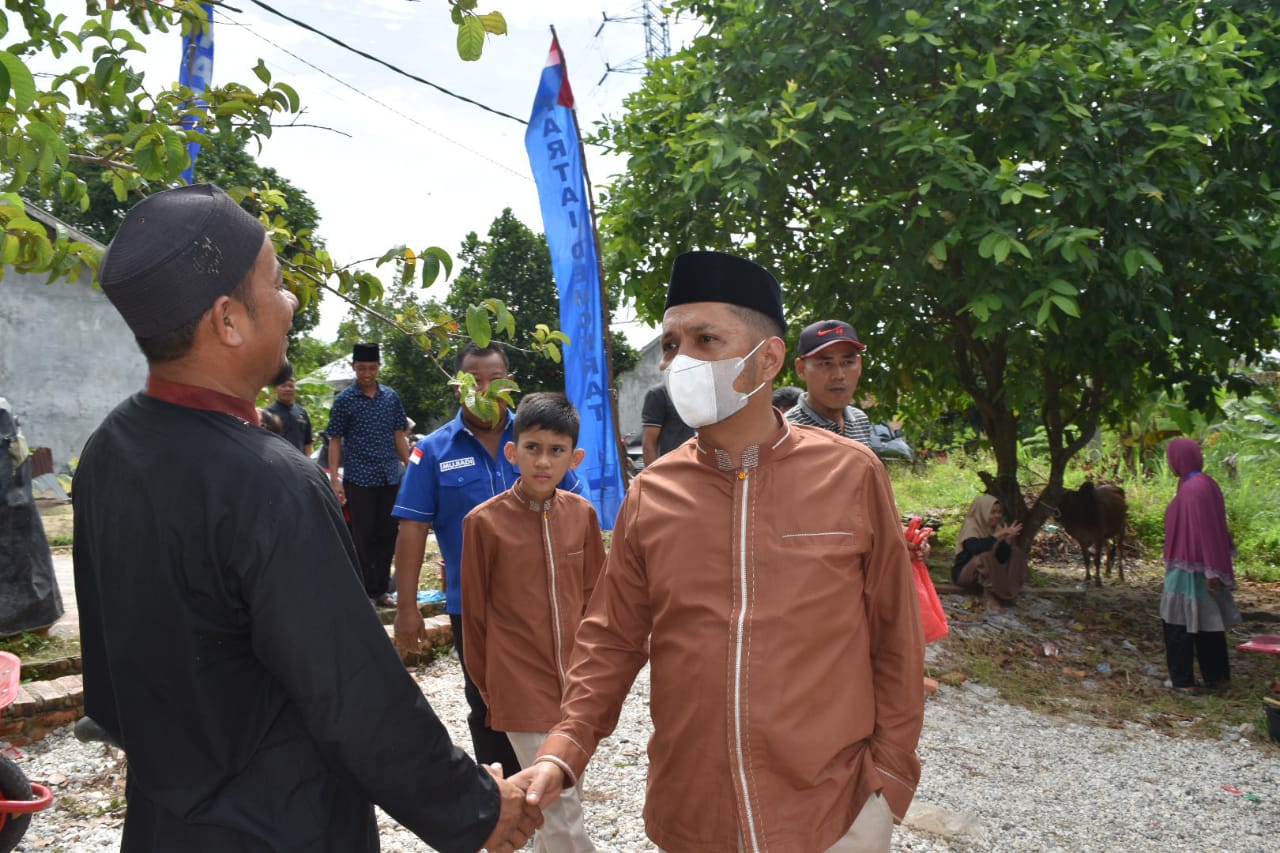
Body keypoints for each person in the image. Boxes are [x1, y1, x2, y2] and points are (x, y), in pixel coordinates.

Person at [72, 183, 539, 852]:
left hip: (163, 823)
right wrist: (478, 808)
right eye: (276, 284)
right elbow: (354, 693)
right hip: (281, 826)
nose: (291, 303)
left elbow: (108, 684)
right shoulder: (271, 482)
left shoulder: (109, 449)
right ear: (228, 320)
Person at [515, 250, 925, 853]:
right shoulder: (653, 492)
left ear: (768, 358)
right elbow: (611, 640)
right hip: (695, 808)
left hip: (833, 809)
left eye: (705, 339)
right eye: (671, 344)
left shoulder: (852, 473)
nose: (679, 361)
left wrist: (888, 777)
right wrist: (562, 750)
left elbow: (896, 635)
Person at [391, 342, 582, 779]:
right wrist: (407, 608)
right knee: (486, 701)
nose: (484, 389)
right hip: (474, 607)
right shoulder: (433, 451)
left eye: (494, 379)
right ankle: (503, 799)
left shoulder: (538, 439)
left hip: (543, 599)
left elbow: (575, 510)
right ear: (456, 387)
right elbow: (412, 528)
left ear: (509, 383)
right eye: (472, 381)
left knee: (556, 691)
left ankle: (551, 785)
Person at [461, 392, 604, 853]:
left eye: (556, 450)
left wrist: (595, 678)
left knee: (555, 801)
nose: (543, 461)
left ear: (574, 458)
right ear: (512, 451)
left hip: (576, 688)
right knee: (561, 809)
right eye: (533, 448)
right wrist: (489, 687)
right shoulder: (483, 523)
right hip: (518, 685)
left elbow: (597, 602)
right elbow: (474, 617)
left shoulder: (582, 515)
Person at [326, 341, 410, 607]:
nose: (367, 373)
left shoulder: (391, 397)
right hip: (359, 479)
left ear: (379, 367)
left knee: (388, 535)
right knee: (363, 537)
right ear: (353, 367)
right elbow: (335, 440)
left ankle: (380, 590)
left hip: (389, 477)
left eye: (372, 368)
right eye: (361, 368)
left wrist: (411, 467)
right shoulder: (345, 400)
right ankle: (364, 592)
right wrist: (335, 481)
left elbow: (399, 435)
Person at [1160, 437, 1241, 694]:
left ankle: (1183, 681)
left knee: (1177, 623)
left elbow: (1204, 530)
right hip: (1201, 566)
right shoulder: (1204, 483)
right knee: (1208, 623)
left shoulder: (1192, 489)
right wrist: (1213, 566)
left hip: (1189, 566)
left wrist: (1210, 569)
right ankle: (1217, 677)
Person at [785, 319, 874, 444]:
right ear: (801, 369)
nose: (838, 375)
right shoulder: (787, 433)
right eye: (826, 363)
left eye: (847, 362)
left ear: (859, 365)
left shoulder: (860, 420)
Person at [952, 495, 1029, 610]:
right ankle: (989, 597)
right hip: (965, 574)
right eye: (992, 512)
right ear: (983, 511)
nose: (997, 516)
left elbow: (1001, 558)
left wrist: (1007, 541)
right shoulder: (971, 525)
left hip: (989, 573)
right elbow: (975, 548)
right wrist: (998, 534)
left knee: (1015, 553)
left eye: (999, 512)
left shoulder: (997, 527)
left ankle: (1010, 593)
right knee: (984, 556)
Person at [640, 382, 694, 466]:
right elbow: (649, 443)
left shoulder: (700, 393)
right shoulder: (659, 394)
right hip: (671, 467)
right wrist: (653, 473)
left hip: (698, 466)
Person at [266, 365, 313, 455]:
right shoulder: (268, 413)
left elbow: (308, 442)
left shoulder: (302, 413)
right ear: (275, 389)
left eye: (291, 386)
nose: (288, 389)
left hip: (300, 460)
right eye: (283, 386)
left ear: (295, 389)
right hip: (277, 458)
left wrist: (308, 460)